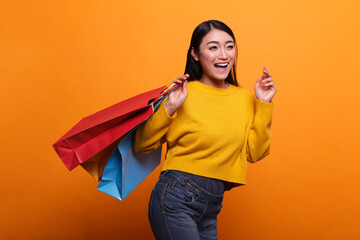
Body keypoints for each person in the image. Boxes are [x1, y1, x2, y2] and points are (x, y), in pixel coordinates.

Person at [133, 20, 276, 240]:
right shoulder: (182, 93)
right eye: (213, 47)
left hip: (211, 208)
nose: (224, 55)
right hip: (176, 196)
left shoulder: (244, 98)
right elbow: (141, 144)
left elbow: (255, 153)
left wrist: (264, 103)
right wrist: (170, 106)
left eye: (229, 46)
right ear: (195, 54)